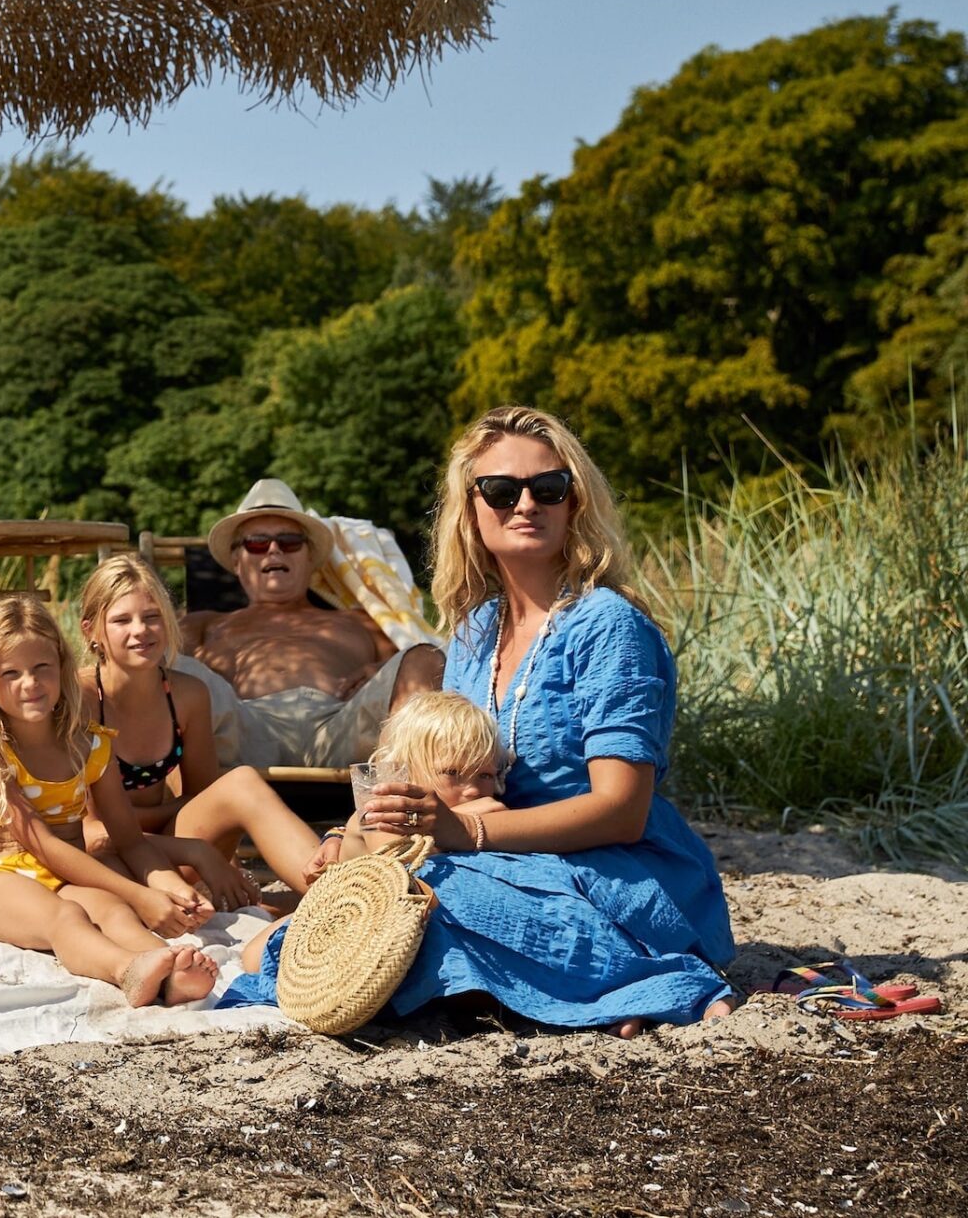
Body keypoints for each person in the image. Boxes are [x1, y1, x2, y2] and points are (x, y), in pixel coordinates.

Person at [220, 407, 737, 1033]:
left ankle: (611, 977)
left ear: (574, 502)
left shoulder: (608, 626)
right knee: (379, 899)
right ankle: (527, 987)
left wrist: (469, 832)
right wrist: (363, 827)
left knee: (417, 911)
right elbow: (444, 773)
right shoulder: (476, 631)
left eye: (549, 487)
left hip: (618, 869)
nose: (526, 504)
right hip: (503, 858)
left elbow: (622, 811)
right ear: (470, 507)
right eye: (500, 489)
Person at [0, 597, 220, 1007]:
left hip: (67, 877)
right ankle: (126, 970)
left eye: (41, 669)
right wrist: (138, 891)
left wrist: (156, 888)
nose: (30, 683)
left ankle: (170, 970)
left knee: (113, 910)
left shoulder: (87, 744)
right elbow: (42, 844)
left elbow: (129, 838)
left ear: (61, 667)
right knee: (67, 918)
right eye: (11, 673)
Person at [75, 553, 326, 900]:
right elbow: (85, 831)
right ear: (92, 631)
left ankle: (338, 893)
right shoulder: (80, 700)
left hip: (165, 848)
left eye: (152, 617)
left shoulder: (186, 694)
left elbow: (205, 798)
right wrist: (188, 843)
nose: (140, 631)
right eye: (121, 620)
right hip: (105, 861)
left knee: (242, 783)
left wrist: (187, 836)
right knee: (101, 843)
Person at [183, 479, 444, 771]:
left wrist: (377, 672)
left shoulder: (359, 620)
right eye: (257, 543)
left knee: (424, 658)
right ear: (236, 559)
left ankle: (400, 802)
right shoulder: (204, 625)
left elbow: (401, 669)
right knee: (170, 666)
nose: (273, 551)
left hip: (341, 728)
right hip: (243, 728)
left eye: (289, 542)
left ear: (310, 557)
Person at [305, 692, 508, 875]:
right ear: (404, 772)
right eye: (451, 772)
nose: (473, 790)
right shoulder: (382, 810)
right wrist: (464, 823)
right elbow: (399, 861)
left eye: (486, 776)